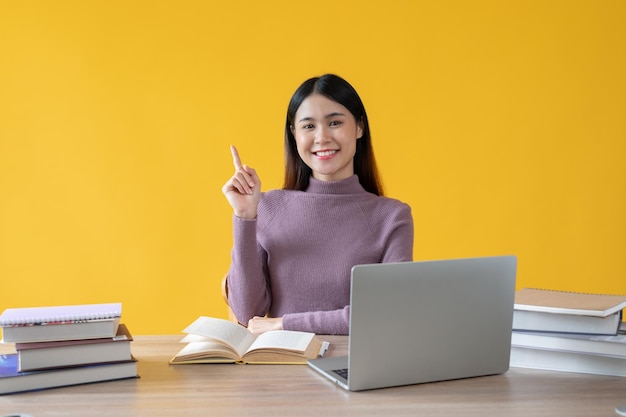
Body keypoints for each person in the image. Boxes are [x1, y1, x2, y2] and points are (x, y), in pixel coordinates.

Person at [222, 74, 413, 335]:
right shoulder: (267, 207)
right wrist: (245, 218)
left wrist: (284, 323)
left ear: (359, 127)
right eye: (309, 126)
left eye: (334, 122)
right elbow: (247, 316)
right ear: (294, 134)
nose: (322, 137)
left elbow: (390, 312)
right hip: (281, 366)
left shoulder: (392, 217)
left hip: (353, 368)